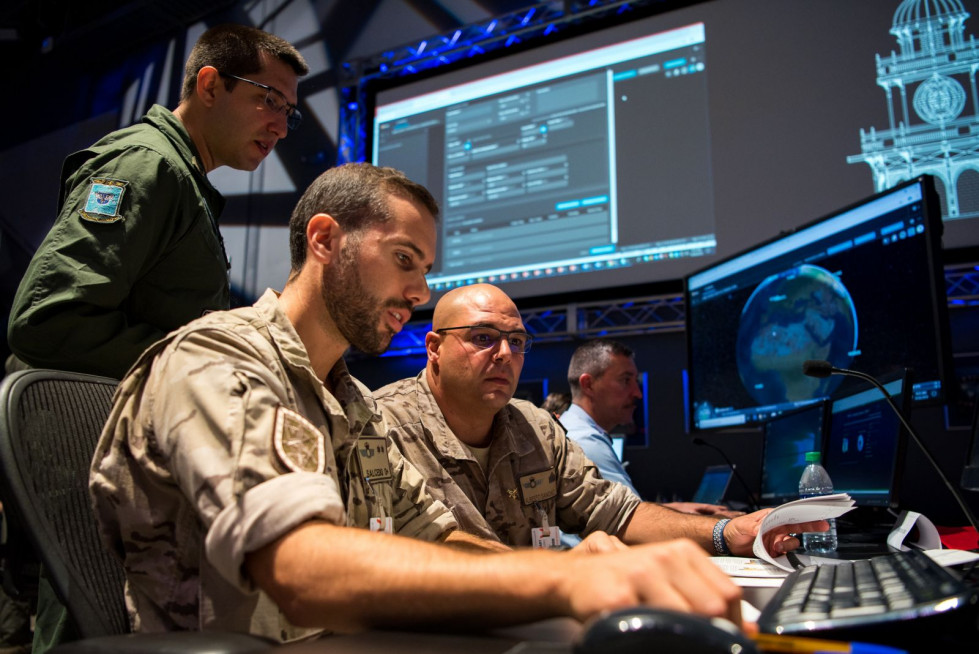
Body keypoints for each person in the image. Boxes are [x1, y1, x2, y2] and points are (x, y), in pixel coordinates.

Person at [89, 163, 750, 641]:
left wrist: (568, 568)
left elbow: (434, 534)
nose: (417, 290)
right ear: (325, 240)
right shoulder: (220, 358)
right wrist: (560, 583)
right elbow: (299, 568)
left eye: (426, 270)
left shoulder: (350, 404)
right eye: (404, 259)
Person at [374, 283, 823, 555]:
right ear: (434, 348)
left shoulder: (536, 429)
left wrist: (730, 532)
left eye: (516, 340)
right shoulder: (383, 425)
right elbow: (428, 547)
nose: (506, 355)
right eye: (483, 338)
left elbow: (615, 512)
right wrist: (566, 571)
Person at [7, 23, 308, 380]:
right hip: (73, 427)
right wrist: (202, 365)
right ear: (210, 85)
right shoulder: (146, 165)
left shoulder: (179, 178)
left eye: (289, 112)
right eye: (270, 100)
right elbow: (47, 321)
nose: (282, 128)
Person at [558, 338, 740, 548]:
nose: (638, 393)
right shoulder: (585, 442)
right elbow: (632, 526)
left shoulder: (577, 431)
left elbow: (623, 512)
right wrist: (725, 531)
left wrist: (678, 508)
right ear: (589, 384)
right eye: (626, 380)